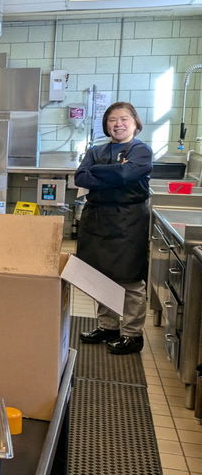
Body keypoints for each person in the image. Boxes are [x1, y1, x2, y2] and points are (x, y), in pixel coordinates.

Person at [75, 101, 152, 355]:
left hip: (128, 221)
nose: (118, 124)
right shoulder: (96, 150)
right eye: (112, 120)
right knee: (100, 276)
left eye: (123, 119)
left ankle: (132, 334)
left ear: (135, 123)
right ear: (106, 125)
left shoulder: (142, 151)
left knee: (130, 279)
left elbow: (125, 176)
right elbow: (81, 177)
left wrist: (102, 173)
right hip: (97, 220)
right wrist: (115, 171)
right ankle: (108, 327)